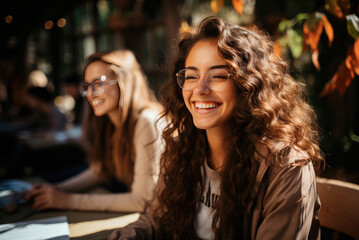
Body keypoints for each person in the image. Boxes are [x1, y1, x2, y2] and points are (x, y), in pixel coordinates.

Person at [108, 16, 324, 239]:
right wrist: (129, 234)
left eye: (218, 76)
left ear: (249, 84)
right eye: (191, 76)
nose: (200, 89)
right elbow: (156, 219)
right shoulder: (184, 149)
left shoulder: (286, 167)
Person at [24, 50, 164, 213]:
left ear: (123, 81)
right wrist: (57, 189)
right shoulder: (110, 122)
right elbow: (102, 169)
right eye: (87, 86)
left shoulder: (147, 122)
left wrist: (66, 200)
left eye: (98, 83)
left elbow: (141, 201)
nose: (90, 94)